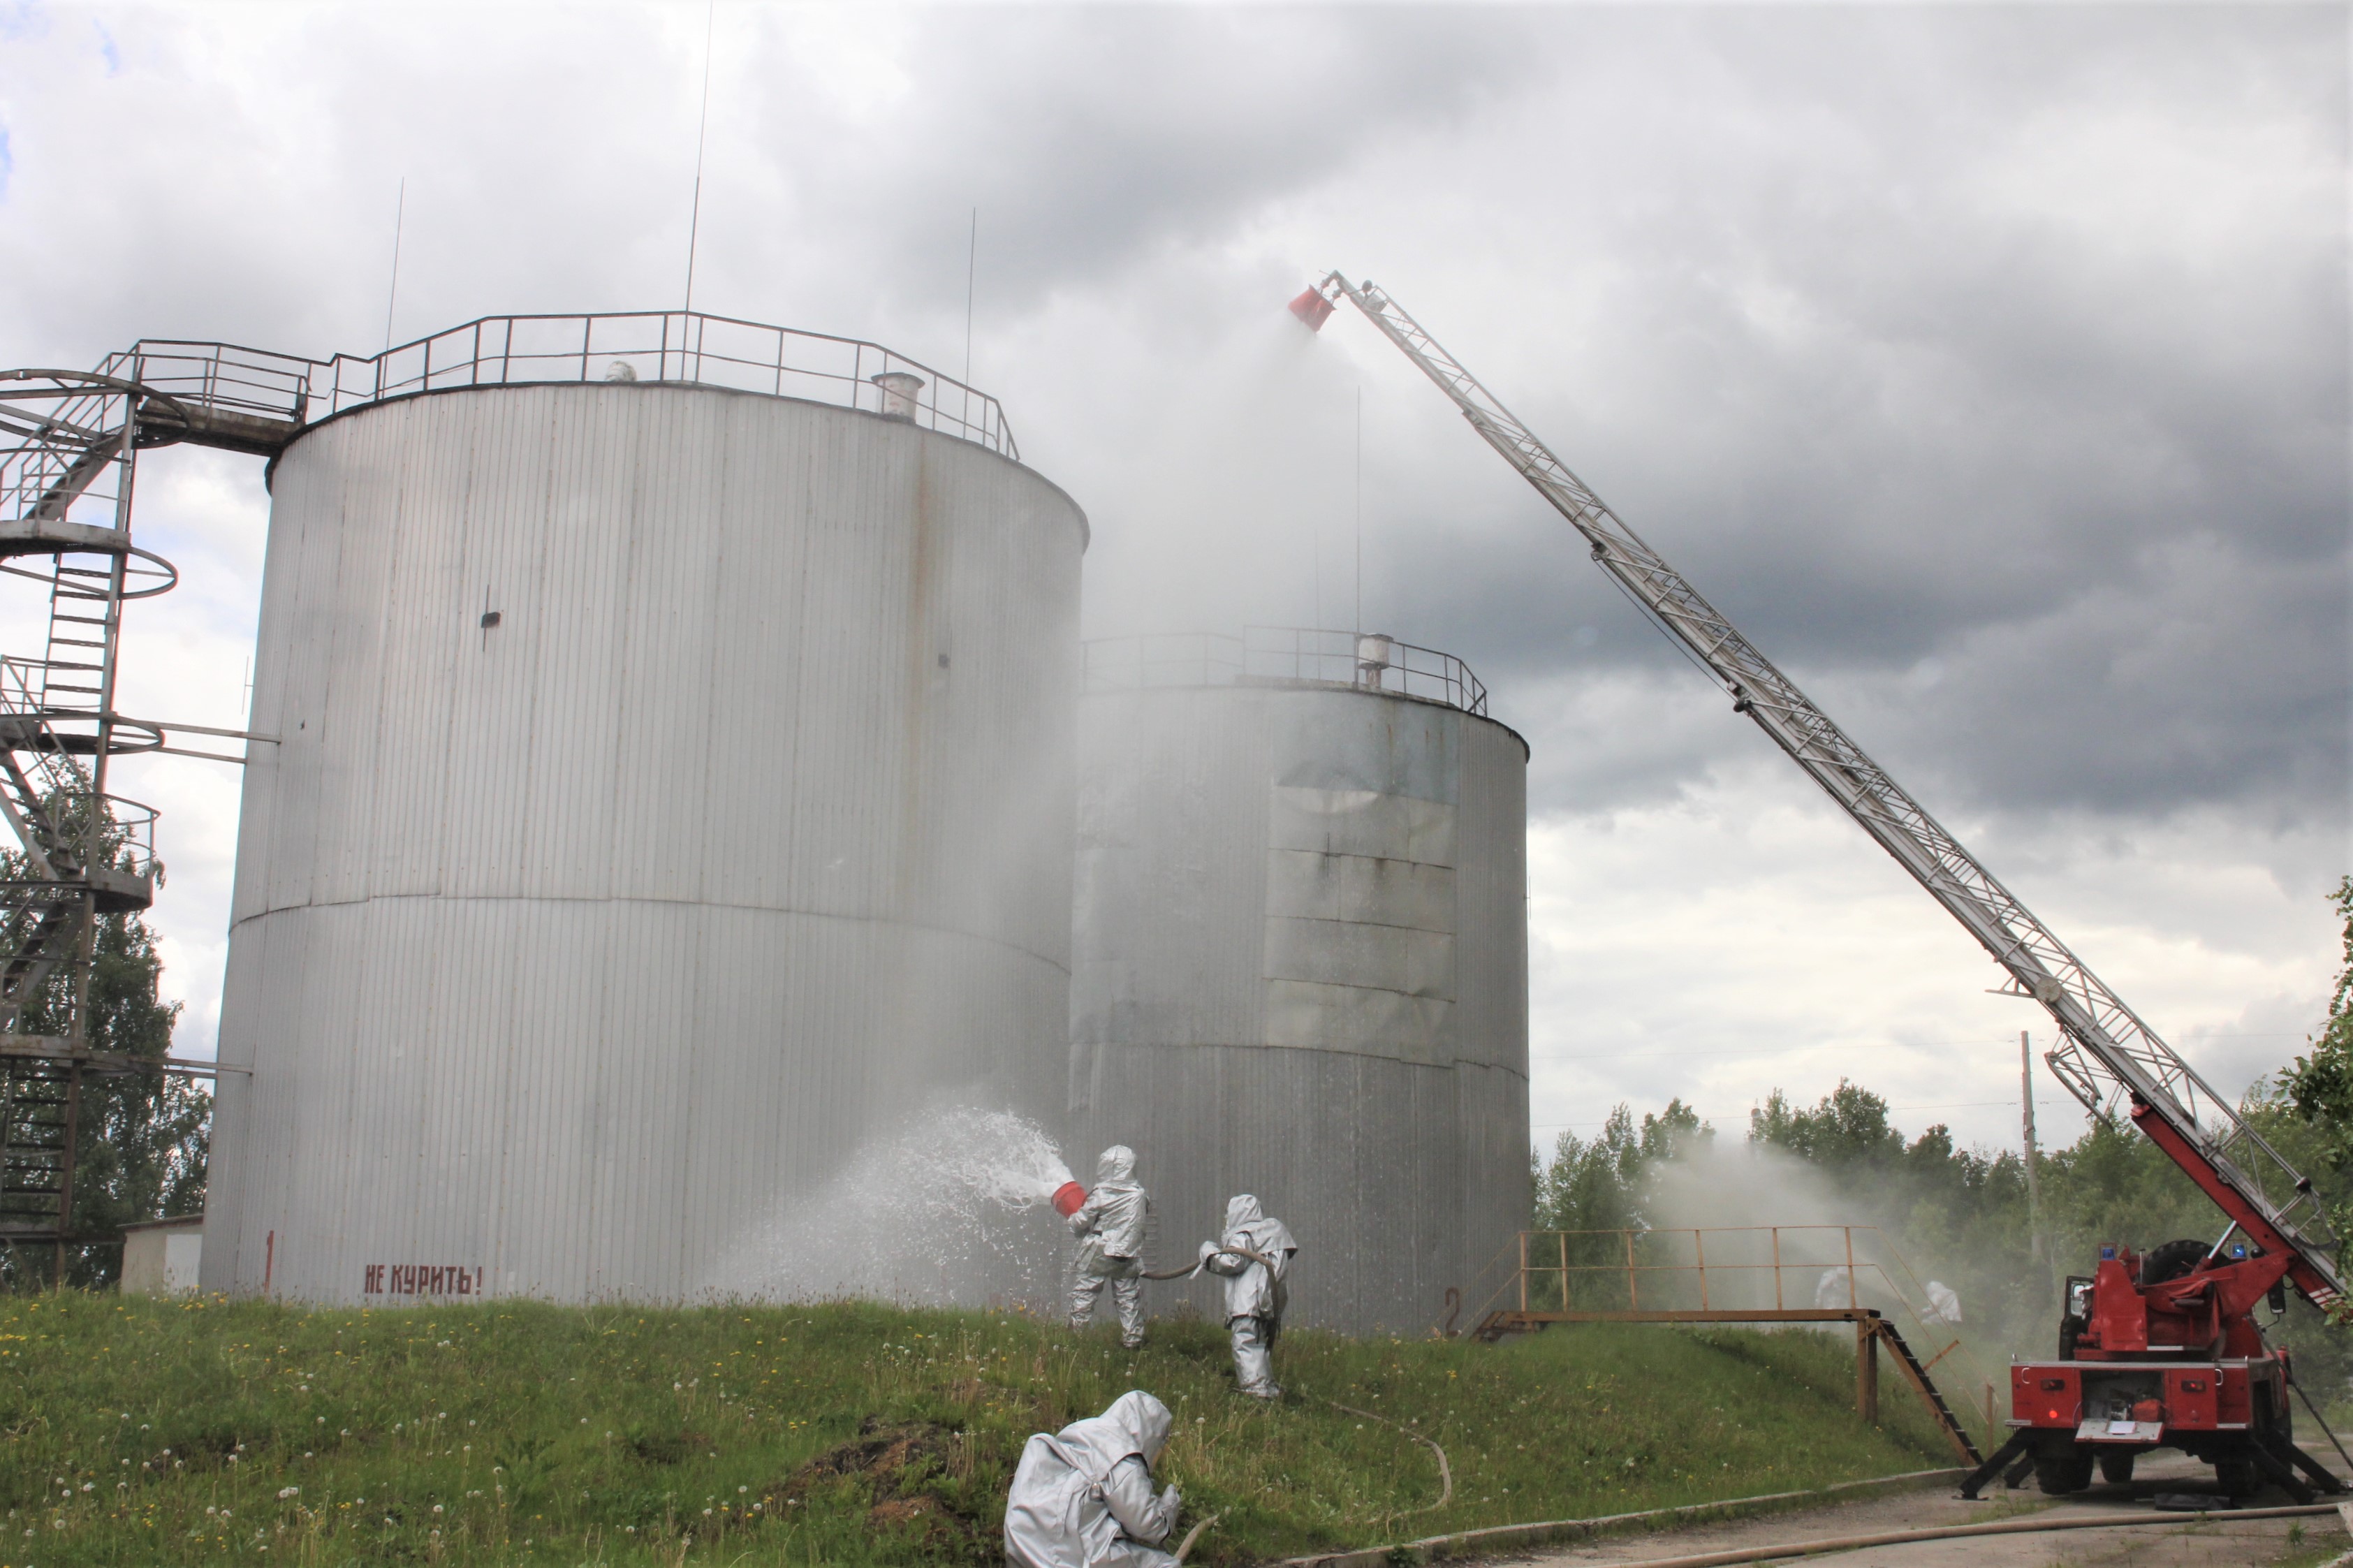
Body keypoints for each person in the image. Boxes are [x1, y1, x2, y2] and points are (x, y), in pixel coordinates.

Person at [1003, 1389, 1183, 1568]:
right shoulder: (1121, 1453)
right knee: (1164, 1565)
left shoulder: (1079, 1432)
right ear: (1152, 1434)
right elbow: (1149, 1524)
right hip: (1066, 1554)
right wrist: (1171, 1501)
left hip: (1022, 1545)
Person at [1199, 1193, 1297, 1399]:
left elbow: (1233, 1261)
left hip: (1248, 1302)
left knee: (1245, 1343)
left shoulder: (1244, 1234)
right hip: (1268, 1302)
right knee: (1259, 1345)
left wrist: (1208, 1253)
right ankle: (1267, 1388)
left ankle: (1255, 1392)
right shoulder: (1272, 1232)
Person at [1069, 1145, 1152, 1349]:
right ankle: (1133, 1341)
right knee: (1128, 1299)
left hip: (1098, 1252)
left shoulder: (1101, 1194)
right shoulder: (1139, 1195)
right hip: (1128, 1256)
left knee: (1085, 1294)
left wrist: (1072, 1220)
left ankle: (1074, 1338)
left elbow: (1082, 1220)